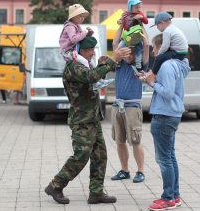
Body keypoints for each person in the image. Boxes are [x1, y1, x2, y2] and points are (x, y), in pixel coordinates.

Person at [45, 36, 131, 205]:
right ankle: (55, 185)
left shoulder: (84, 64)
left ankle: (96, 193)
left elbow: (92, 76)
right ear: (81, 51)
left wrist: (101, 64)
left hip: (92, 118)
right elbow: (91, 77)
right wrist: (114, 59)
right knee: (81, 156)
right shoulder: (73, 67)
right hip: (82, 120)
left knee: (100, 155)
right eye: (90, 50)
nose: (93, 53)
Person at [138, 34, 190, 210]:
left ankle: (168, 198)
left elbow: (167, 93)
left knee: (164, 159)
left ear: (162, 47)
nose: (153, 51)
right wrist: (149, 78)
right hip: (171, 114)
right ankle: (174, 196)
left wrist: (152, 83)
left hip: (165, 115)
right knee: (170, 156)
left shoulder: (167, 66)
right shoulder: (176, 64)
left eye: (154, 47)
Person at [110, 24, 149, 183]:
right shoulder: (118, 65)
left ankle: (140, 171)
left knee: (135, 140)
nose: (126, 55)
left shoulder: (140, 65)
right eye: (123, 52)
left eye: (128, 52)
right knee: (119, 140)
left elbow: (146, 44)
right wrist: (119, 26)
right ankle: (124, 170)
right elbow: (114, 44)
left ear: (135, 53)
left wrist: (140, 27)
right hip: (117, 106)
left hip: (132, 106)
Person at [59, 3, 114, 90]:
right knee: (84, 61)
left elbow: (81, 38)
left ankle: (99, 81)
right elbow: (74, 39)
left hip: (73, 50)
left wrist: (89, 33)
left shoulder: (76, 26)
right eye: (80, 16)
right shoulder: (70, 27)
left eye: (83, 16)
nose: (83, 18)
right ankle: (95, 83)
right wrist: (84, 33)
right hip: (68, 52)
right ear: (73, 17)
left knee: (91, 62)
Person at [149, 11, 188, 76]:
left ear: (162, 23)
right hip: (182, 52)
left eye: (157, 25)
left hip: (177, 53)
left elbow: (165, 46)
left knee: (159, 58)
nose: (157, 28)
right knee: (163, 57)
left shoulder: (167, 31)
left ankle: (153, 74)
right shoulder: (174, 28)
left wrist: (159, 54)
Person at [117, 0, 148, 69]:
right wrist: (119, 21)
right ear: (130, 7)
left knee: (138, 49)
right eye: (136, 7)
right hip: (127, 36)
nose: (139, 9)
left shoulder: (140, 14)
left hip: (136, 36)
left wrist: (142, 18)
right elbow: (120, 20)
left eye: (140, 7)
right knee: (120, 47)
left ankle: (138, 63)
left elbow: (146, 22)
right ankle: (118, 61)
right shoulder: (125, 14)